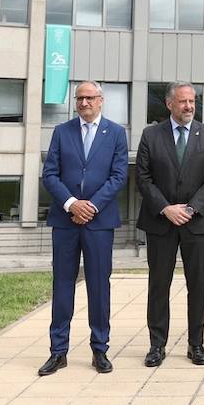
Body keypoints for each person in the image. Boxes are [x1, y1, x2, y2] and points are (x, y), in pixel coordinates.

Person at [38, 81, 130, 377]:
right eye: (79, 98)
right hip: (65, 222)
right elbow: (49, 174)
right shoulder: (61, 132)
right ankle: (58, 351)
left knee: (99, 287)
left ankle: (99, 349)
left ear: (101, 101)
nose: (84, 103)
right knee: (63, 285)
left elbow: (118, 176)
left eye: (90, 98)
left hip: (99, 223)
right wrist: (71, 204)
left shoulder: (116, 133)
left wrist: (90, 206)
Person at [136, 81, 204, 367]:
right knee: (158, 285)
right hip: (160, 223)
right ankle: (157, 345)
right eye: (183, 101)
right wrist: (165, 208)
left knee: (197, 285)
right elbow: (143, 178)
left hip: (197, 223)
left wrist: (190, 208)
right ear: (169, 104)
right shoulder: (151, 135)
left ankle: (196, 344)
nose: (189, 106)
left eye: (192, 102)